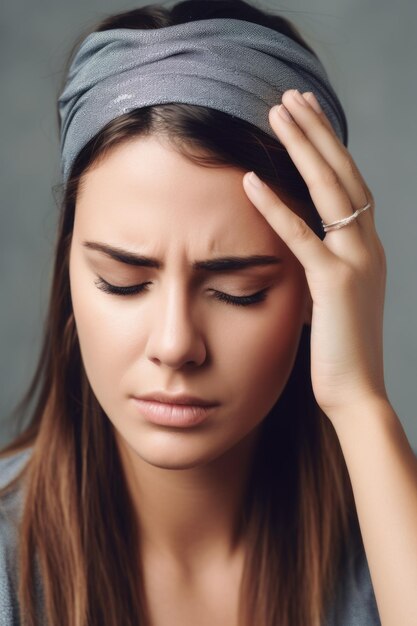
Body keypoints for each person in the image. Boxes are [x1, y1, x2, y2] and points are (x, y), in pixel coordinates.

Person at [1, 0, 416, 624]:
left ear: (317, 290)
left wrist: (360, 401)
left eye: (238, 291)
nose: (175, 345)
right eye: (121, 282)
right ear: (69, 272)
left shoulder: (387, 542)